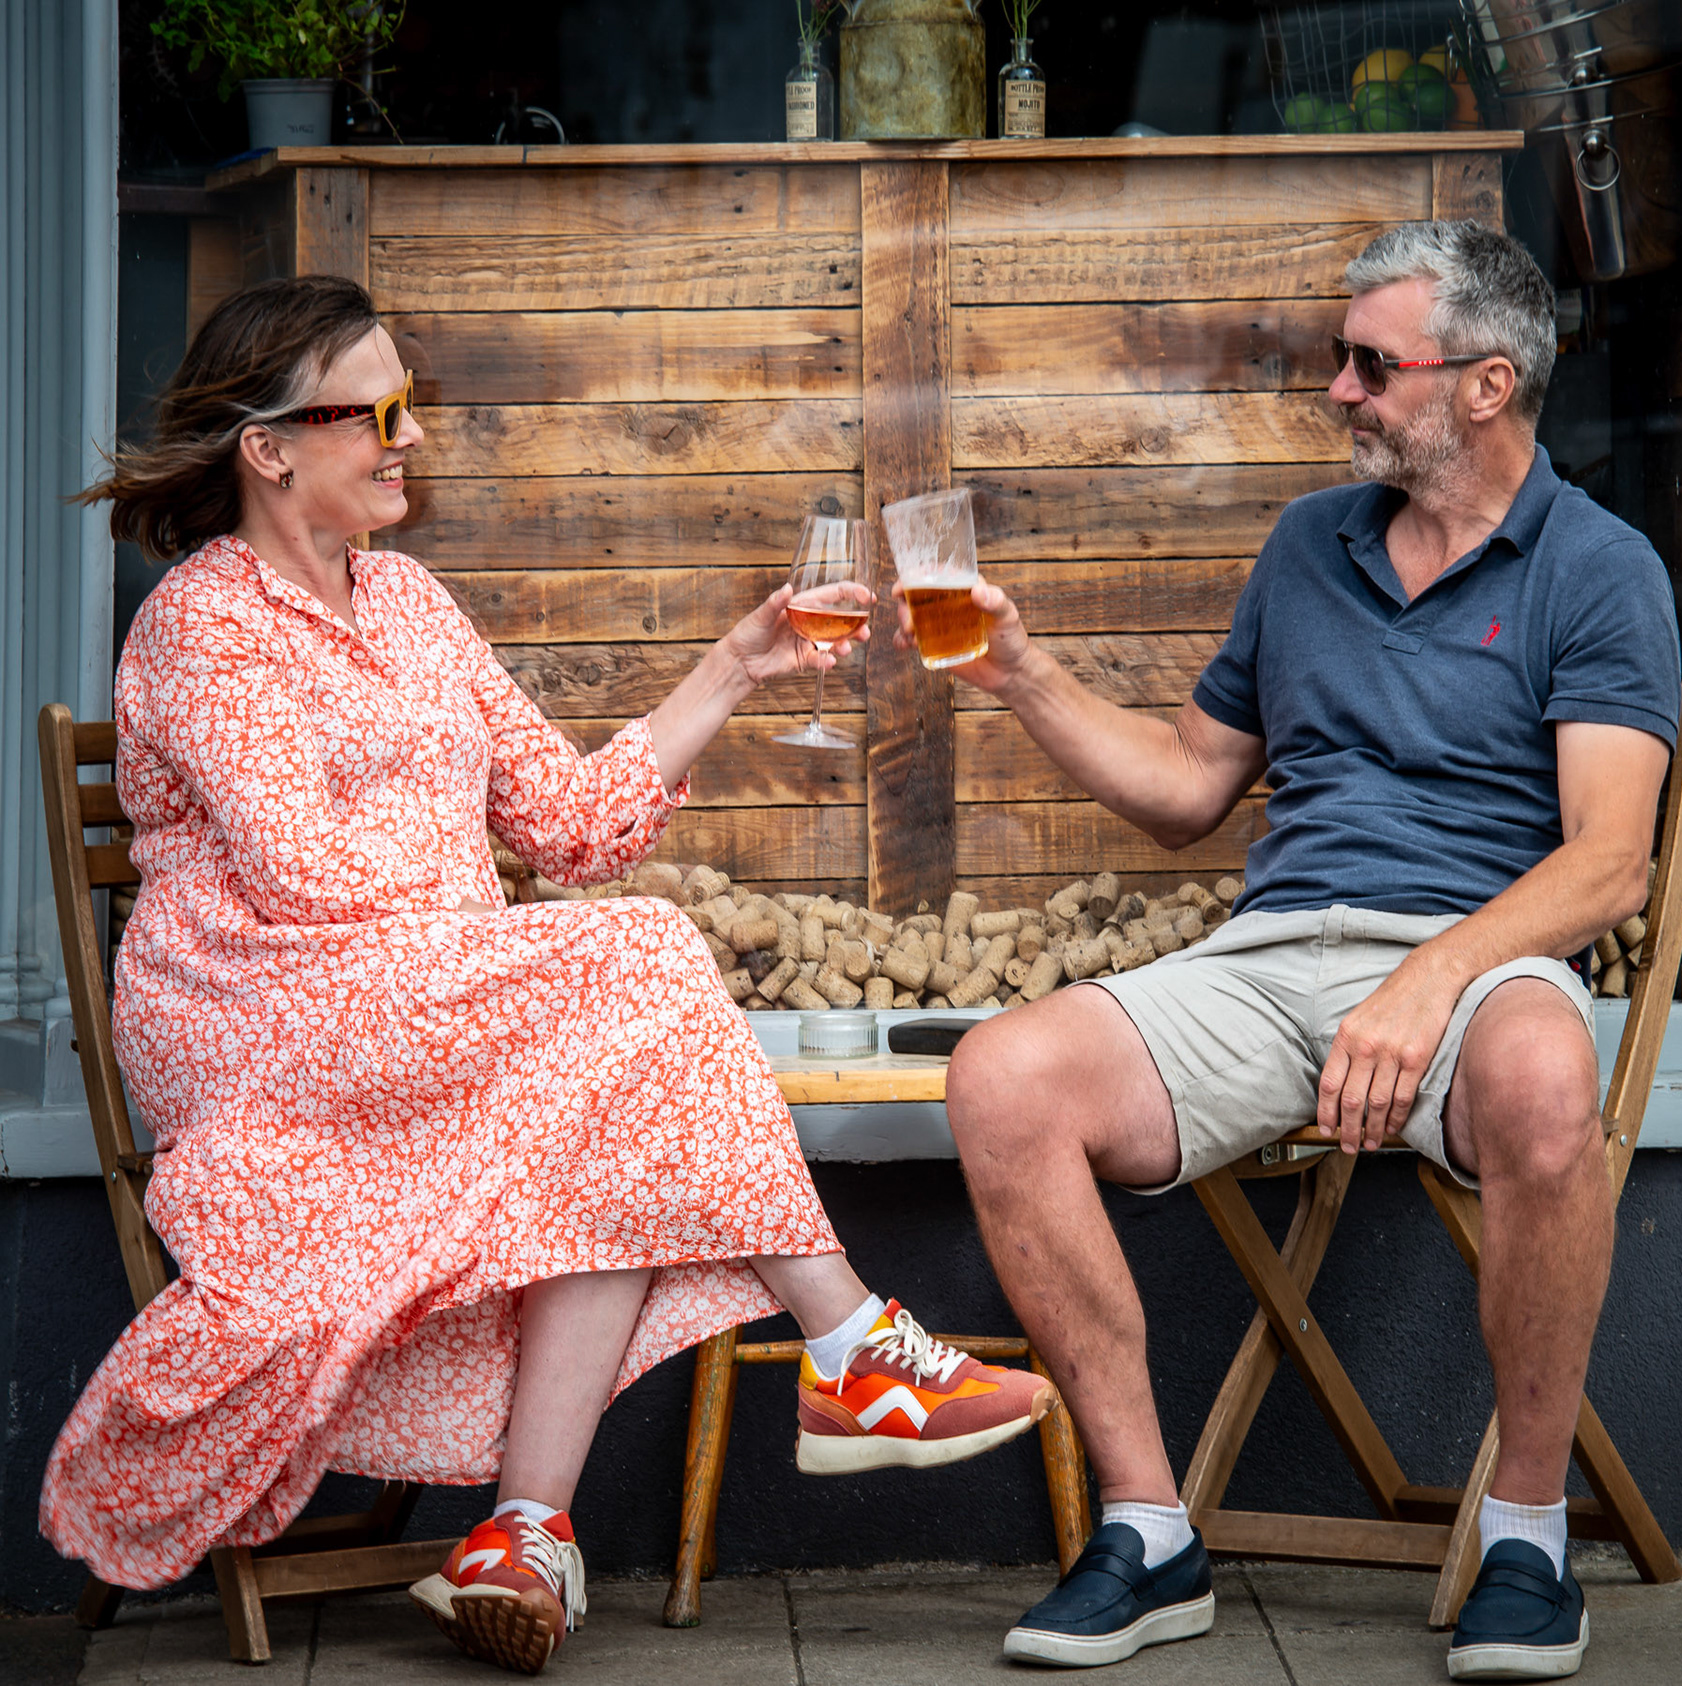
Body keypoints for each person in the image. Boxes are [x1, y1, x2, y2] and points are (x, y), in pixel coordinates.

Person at [44, 275, 1054, 1678]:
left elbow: (573, 828)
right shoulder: (205, 627)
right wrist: (519, 954)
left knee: (623, 1060)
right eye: (378, 410)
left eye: (416, 407)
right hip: (272, 1022)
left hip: (431, 1006)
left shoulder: (408, 600)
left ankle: (525, 1529)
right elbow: (309, 880)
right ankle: (853, 1340)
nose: (411, 439)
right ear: (269, 446)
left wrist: (738, 664)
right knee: (628, 969)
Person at [925, 221, 1680, 1680]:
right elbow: (1189, 788)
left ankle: (1525, 1533)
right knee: (1004, 1077)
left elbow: (1608, 860)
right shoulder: (1306, 549)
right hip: (1274, 957)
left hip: (1477, 966)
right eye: (1341, 359)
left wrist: (1431, 974)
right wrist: (1018, 671)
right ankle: (1150, 1529)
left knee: (1541, 1077)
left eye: (1369, 363)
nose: (1337, 389)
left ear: (1484, 385)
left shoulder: (1600, 569)